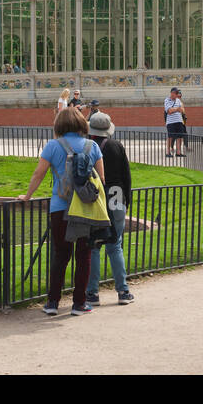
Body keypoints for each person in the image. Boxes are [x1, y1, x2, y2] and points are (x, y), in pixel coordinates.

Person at [19, 107, 106, 316]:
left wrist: (27, 196)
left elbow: (38, 174)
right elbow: (101, 180)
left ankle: (52, 302)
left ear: (59, 124)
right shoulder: (92, 146)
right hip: (85, 208)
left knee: (60, 255)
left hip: (60, 207)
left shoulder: (53, 146)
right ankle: (79, 304)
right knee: (83, 255)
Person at [84, 110, 135, 306]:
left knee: (94, 245)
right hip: (117, 196)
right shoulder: (116, 146)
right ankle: (123, 291)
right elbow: (126, 177)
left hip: (96, 198)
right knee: (115, 245)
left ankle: (92, 293)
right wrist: (126, 202)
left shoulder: (88, 147)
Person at [164, 87, 187, 158]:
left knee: (179, 137)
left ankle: (178, 152)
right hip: (171, 122)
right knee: (170, 137)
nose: (176, 95)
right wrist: (177, 109)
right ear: (171, 93)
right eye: (174, 93)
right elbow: (169, 111)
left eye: (177, 93)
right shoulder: (167, 100)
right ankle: (168, 152)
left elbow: (182, 110)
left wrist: (175, 109)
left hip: (179, 121)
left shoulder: (178, 101)